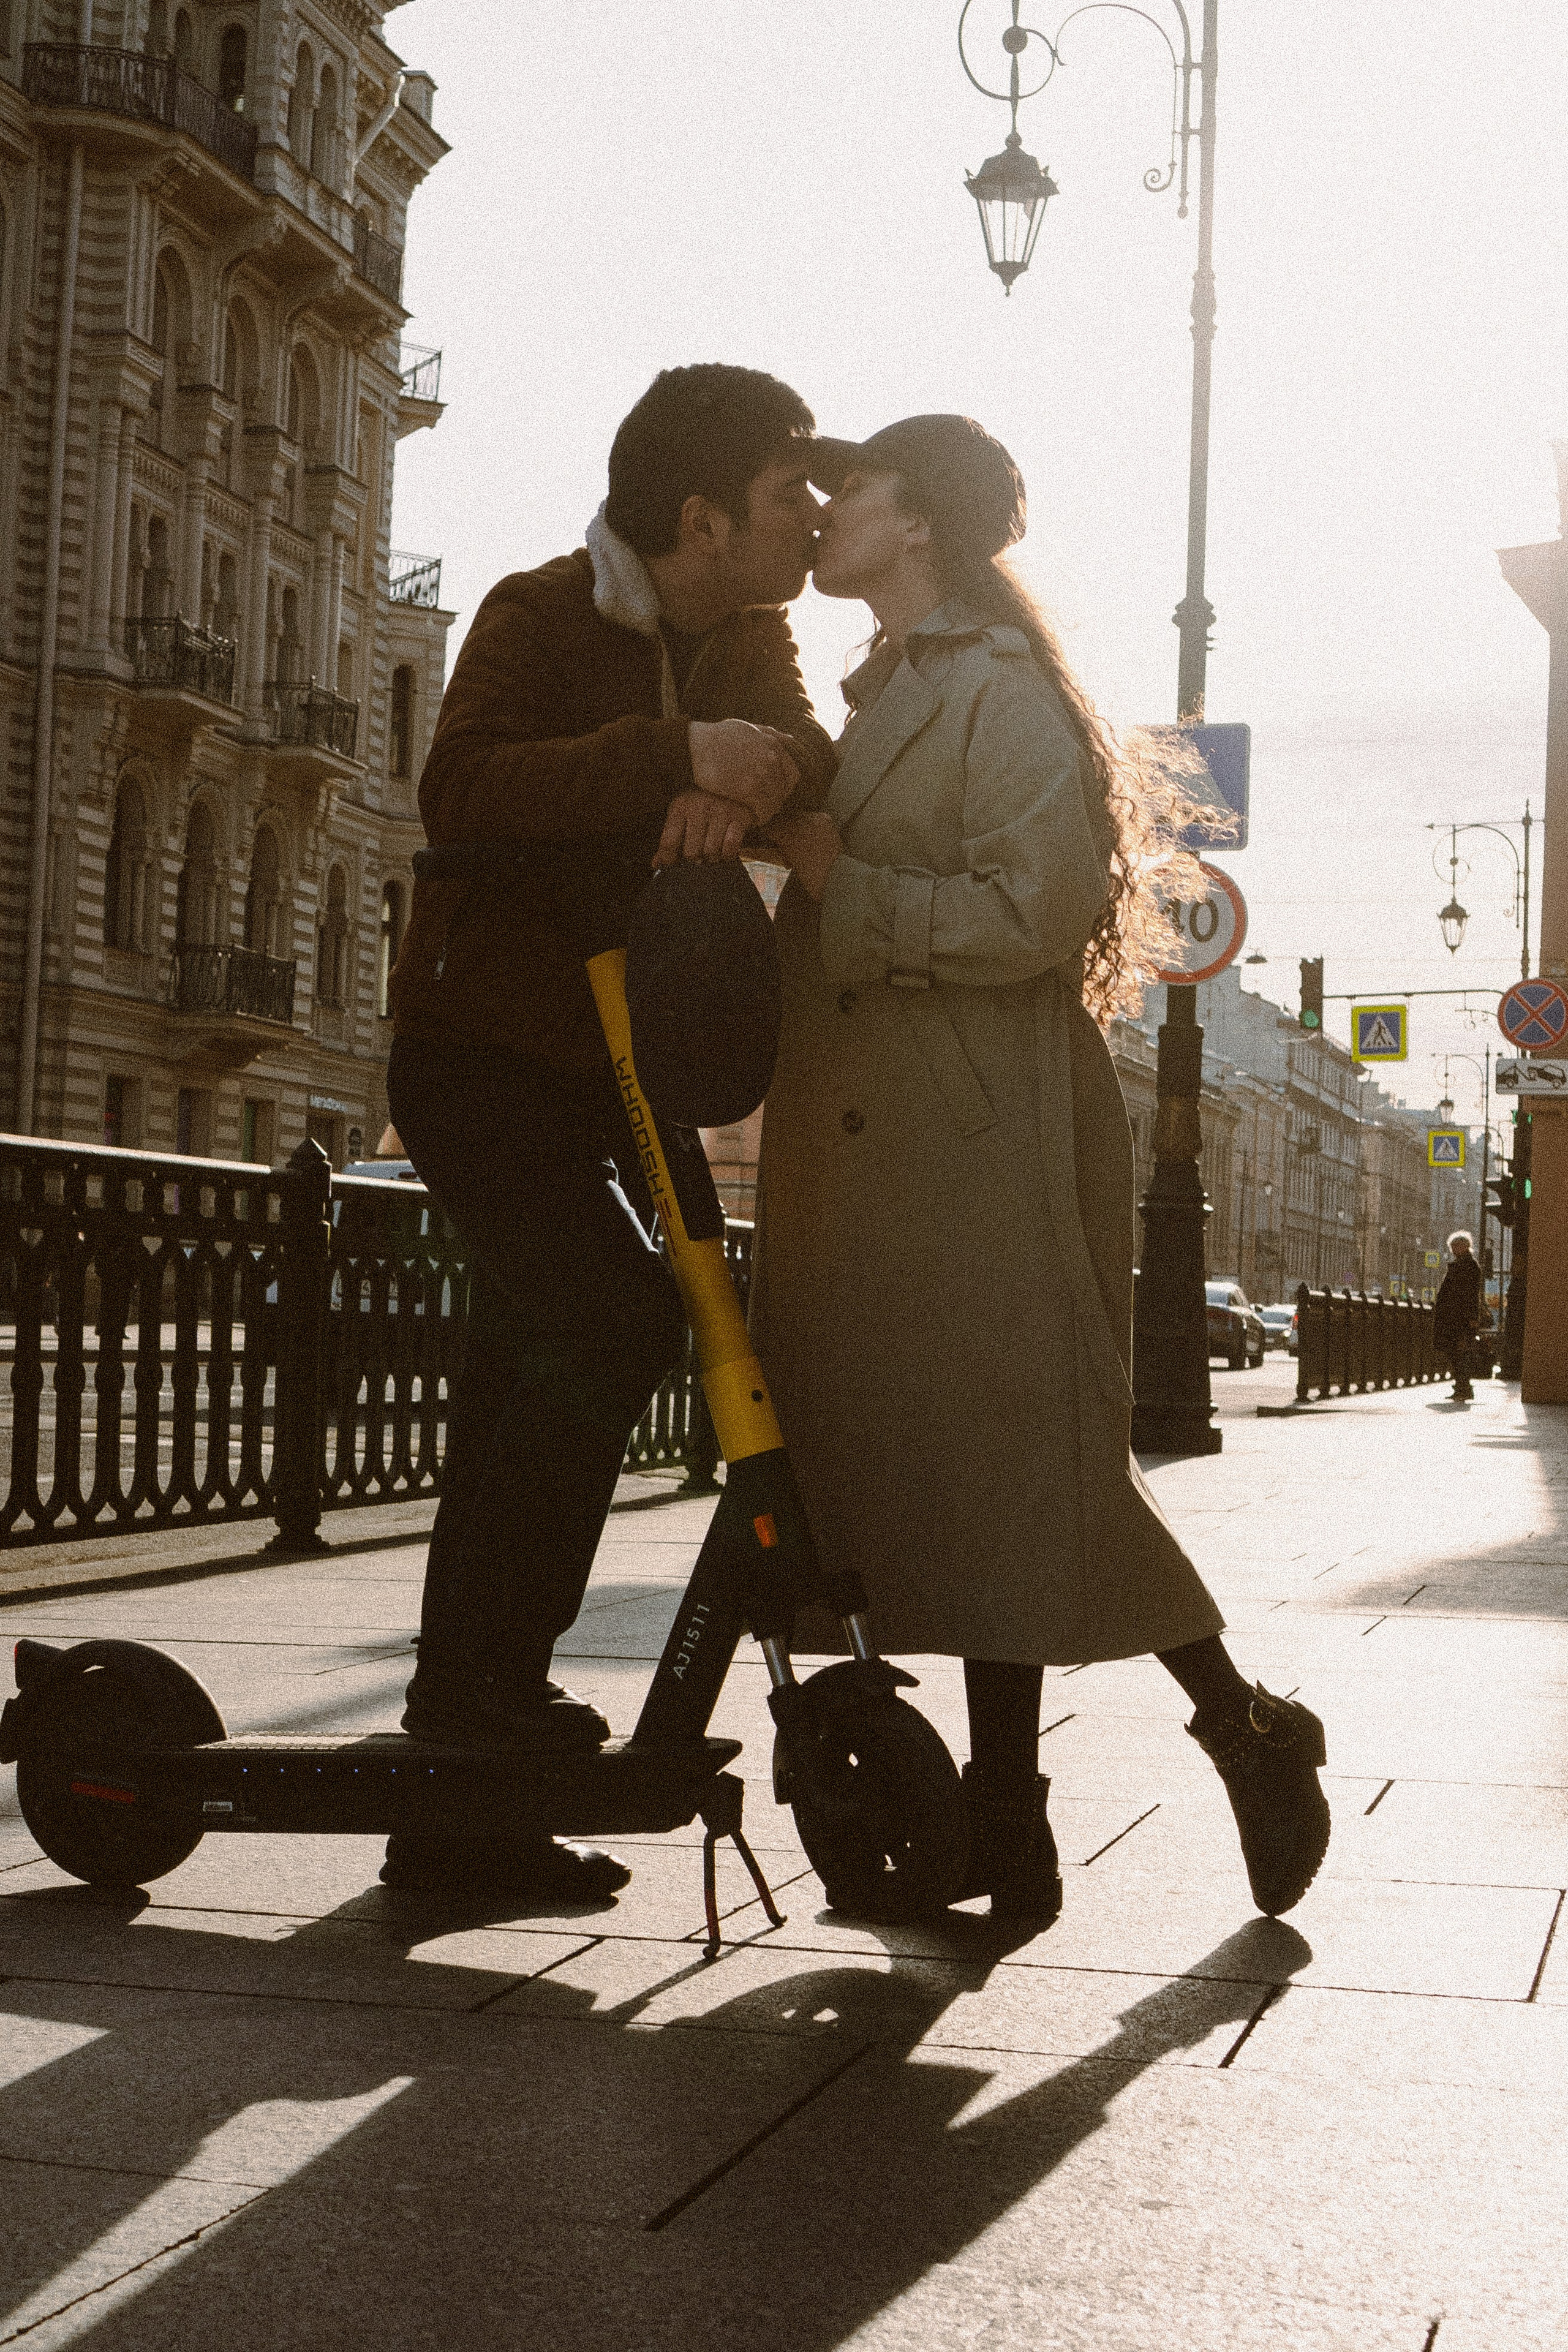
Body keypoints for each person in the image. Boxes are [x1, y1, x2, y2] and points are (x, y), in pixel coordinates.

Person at [755, 414, 1331, 1926]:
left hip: (980, 1140)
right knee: (962, 1493)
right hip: (894, 1145)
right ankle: (1017, 1824)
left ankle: (1231, 1733)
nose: (822, 512)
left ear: (919, 523)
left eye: (848, 488)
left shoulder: (993, 693)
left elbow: (1034, 911)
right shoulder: (887, 688)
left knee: (1024, 1478)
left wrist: (839, 879)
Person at [383, 364, 835, 1897]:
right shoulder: (536, 612)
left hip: (606, 1064)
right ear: (701, 518)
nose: (811, 516)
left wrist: (741, 779)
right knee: (606, 1314)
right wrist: (674, 760)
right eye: (787, 490)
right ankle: (481, 1708)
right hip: (479, 1058)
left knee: (528, 1365)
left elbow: (805, 750)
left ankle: (461, 1782)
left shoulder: (747, 636)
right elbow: (463, 786)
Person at [1433, 1230, 1484, 1401]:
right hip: (1452, 1317)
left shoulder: (1469, 1266)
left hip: (1460, 1318)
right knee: (1455, 1352)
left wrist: (1472, 1318)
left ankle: (1464, 1387)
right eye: (1453, 1246)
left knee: (1459, 1353)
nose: (1454, 1249)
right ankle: (1461, 1387)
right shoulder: (1461, 1264)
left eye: (1458, 1246)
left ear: (1466, 1247)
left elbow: (1471, 1295)